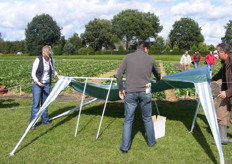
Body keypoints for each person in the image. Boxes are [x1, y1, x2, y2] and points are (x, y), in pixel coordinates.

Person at [116, 41, 161, 154]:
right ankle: (151, 143)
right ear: (145, 48)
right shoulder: (150, 59)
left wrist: (121, 89)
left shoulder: (127, 57)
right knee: (147, 118)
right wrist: (159, 79)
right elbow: (158, 75)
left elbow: (118, 75)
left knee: (128, 120)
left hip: (130, 92)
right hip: (145, 92)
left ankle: (124, 148)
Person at [30, 45, 59, 130]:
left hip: (46, 84)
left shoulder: (51, 60)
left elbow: (53, 70)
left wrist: (57, 75)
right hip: (37, 84)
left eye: (46, 53)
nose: (44, 54)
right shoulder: (37, 60)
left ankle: (45, 120)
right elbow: (33, 73)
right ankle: (32, 123)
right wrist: (37, 82)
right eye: (43, 53)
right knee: (36, 104)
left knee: (45, 103)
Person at [212, 43, 232, 145]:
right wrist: (210, 79)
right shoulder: (225, 63)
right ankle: (222, 138)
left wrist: (227, 92)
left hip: (229, 92)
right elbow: (220, 74)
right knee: (220, 114)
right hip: (226, 93)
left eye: (218, 52)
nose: (217, 54)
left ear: (224, 52)